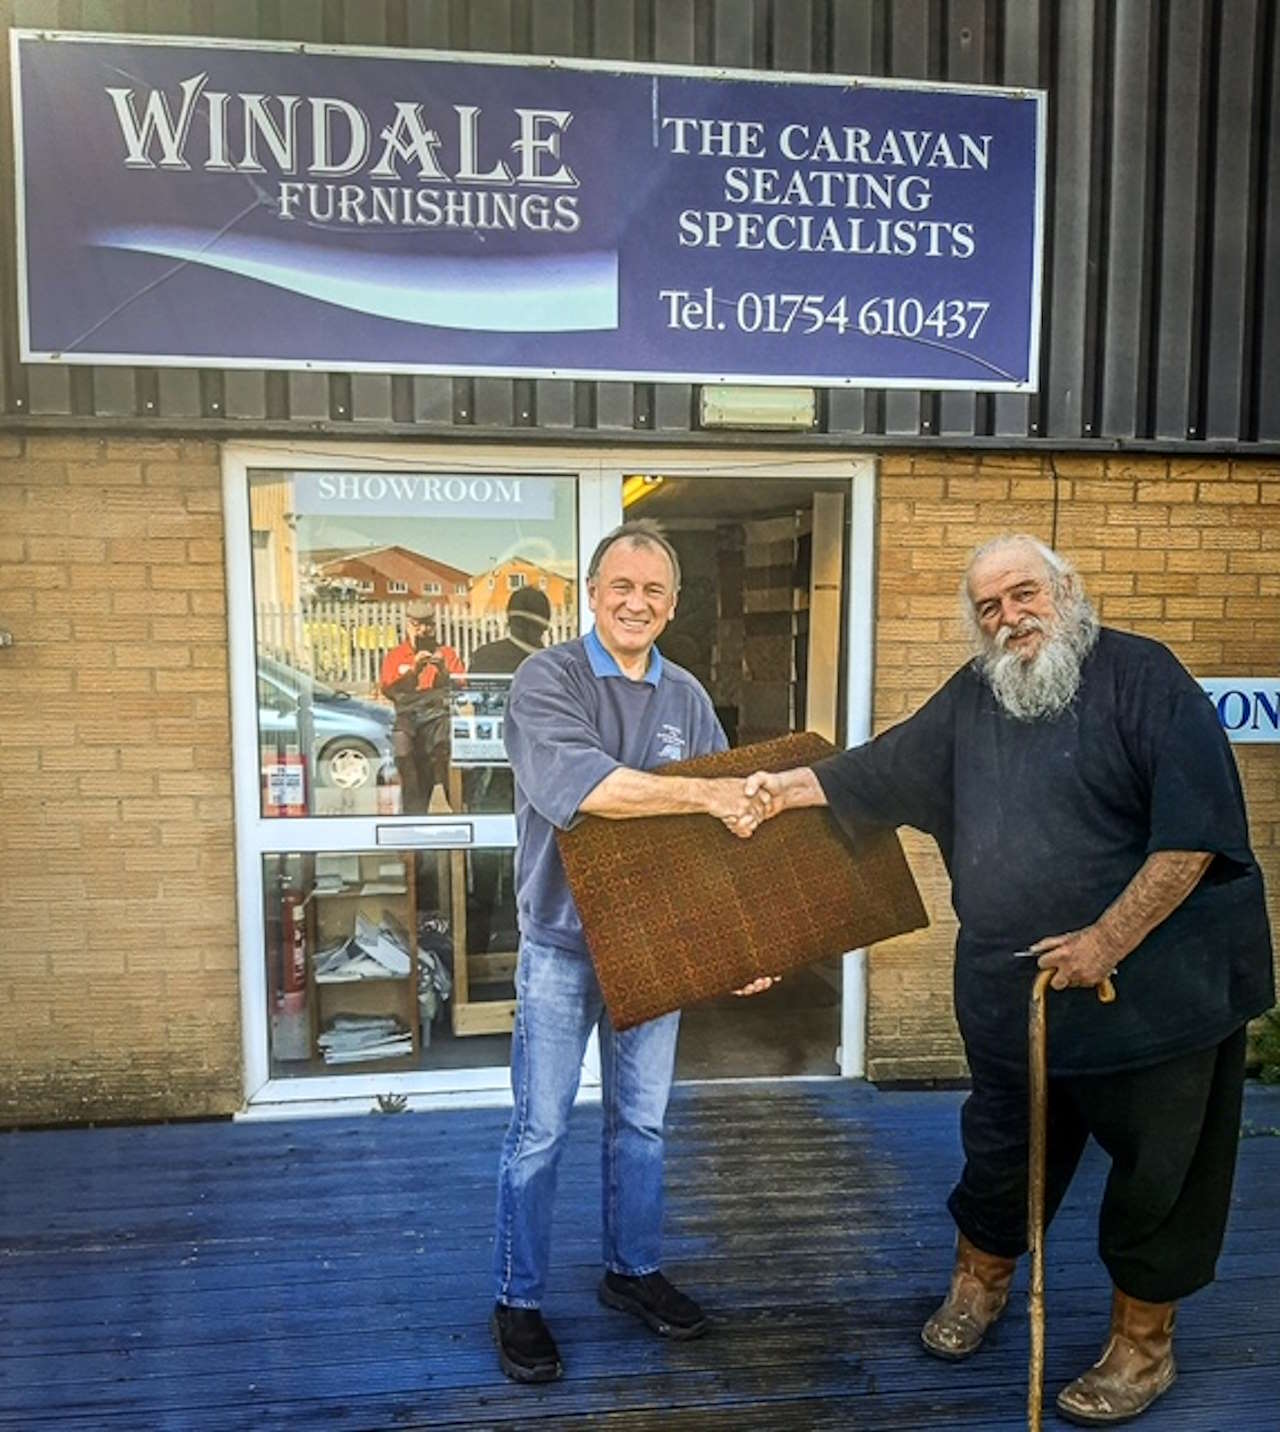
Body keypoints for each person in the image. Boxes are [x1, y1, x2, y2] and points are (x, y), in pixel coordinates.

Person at [744, 533, 1274, 1426]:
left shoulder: (1147, 679)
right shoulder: (973, 700)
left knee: (1160, 1176)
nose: (1009, 618)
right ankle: (978, 1287)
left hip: (1156, 995)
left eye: (1023, 594)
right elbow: (871, 773)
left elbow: (1192, 839)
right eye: (988, 607)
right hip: (1015, 993)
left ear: (1065, 592)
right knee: (1000, 1150)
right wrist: (766, 791)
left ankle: (1143, 1349)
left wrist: (1107, 939)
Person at [490, 519, 772, 1384]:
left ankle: (632, 1272)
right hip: (564, 946)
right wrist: (705, 796)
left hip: (660, 945)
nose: (636, 603)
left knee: (641, 1124)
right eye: (621, 586)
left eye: (653, 591)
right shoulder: (549, 679)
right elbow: (593, 790)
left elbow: (728, 834)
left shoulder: (687, 696)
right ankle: (517, 1297)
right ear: (592, 593)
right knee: (540, 1131)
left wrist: (739, 939)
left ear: (673, 604)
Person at [379, 601, 464, 814]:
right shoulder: (396, 656)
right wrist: (413, 671)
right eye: (417, 625)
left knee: (454, 785)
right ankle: (413, 836)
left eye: (428, 625)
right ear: (408, 625)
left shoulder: (447, 654)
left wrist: (444, 671)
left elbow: (462, 689)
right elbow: (389, 691)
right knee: (412, 786)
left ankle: (462, 828)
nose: (423, 630)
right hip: (409, 724)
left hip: (439, 724)